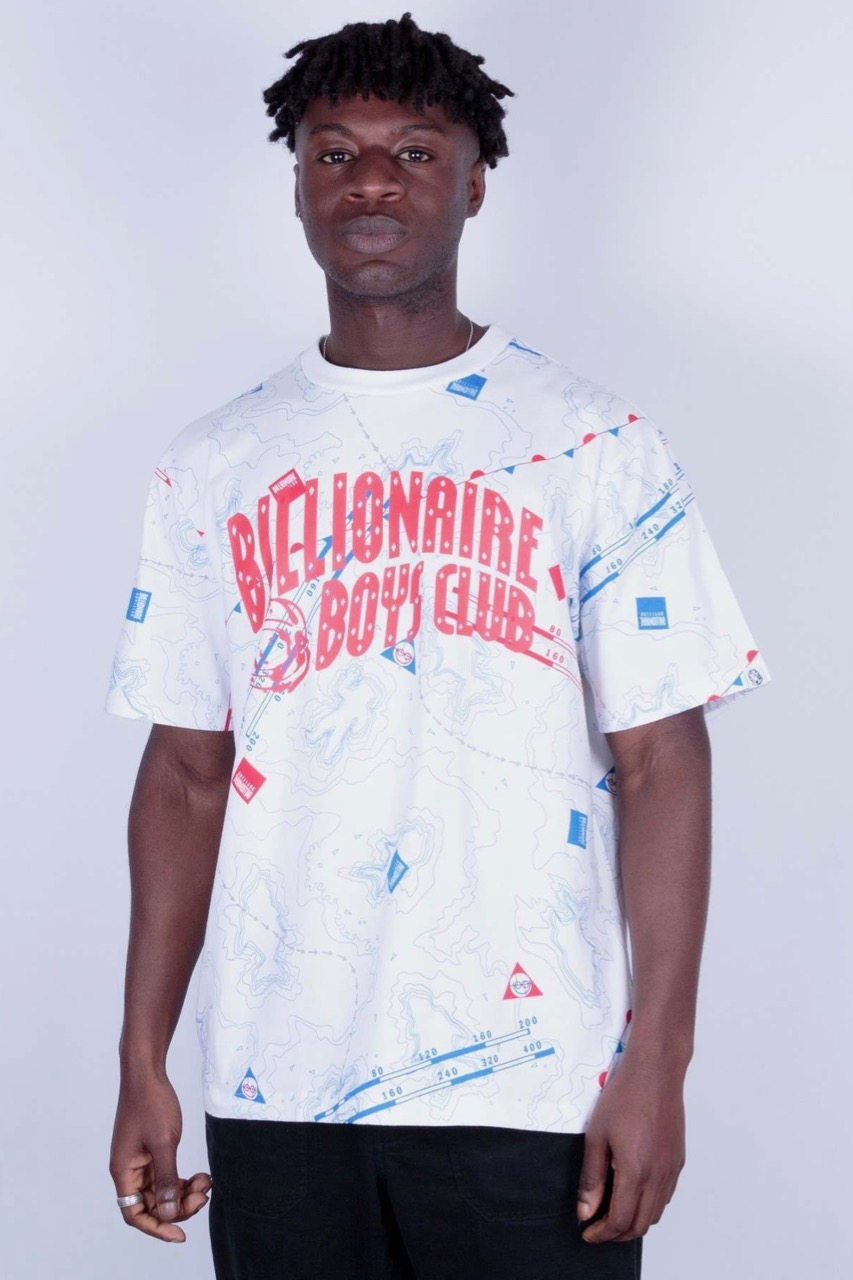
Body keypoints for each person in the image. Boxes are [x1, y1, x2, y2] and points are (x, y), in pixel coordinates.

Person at [104, 12, 771, 1279]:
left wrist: (659, 1062)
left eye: (413, 152)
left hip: (536, 1090)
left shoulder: (593, 444)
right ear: (297, 184)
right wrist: (143, 1054)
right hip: (277, 1082)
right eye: (334, 151)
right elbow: (186, 771)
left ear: (474, 183)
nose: (370, 180)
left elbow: (662, 760)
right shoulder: (213, 464)